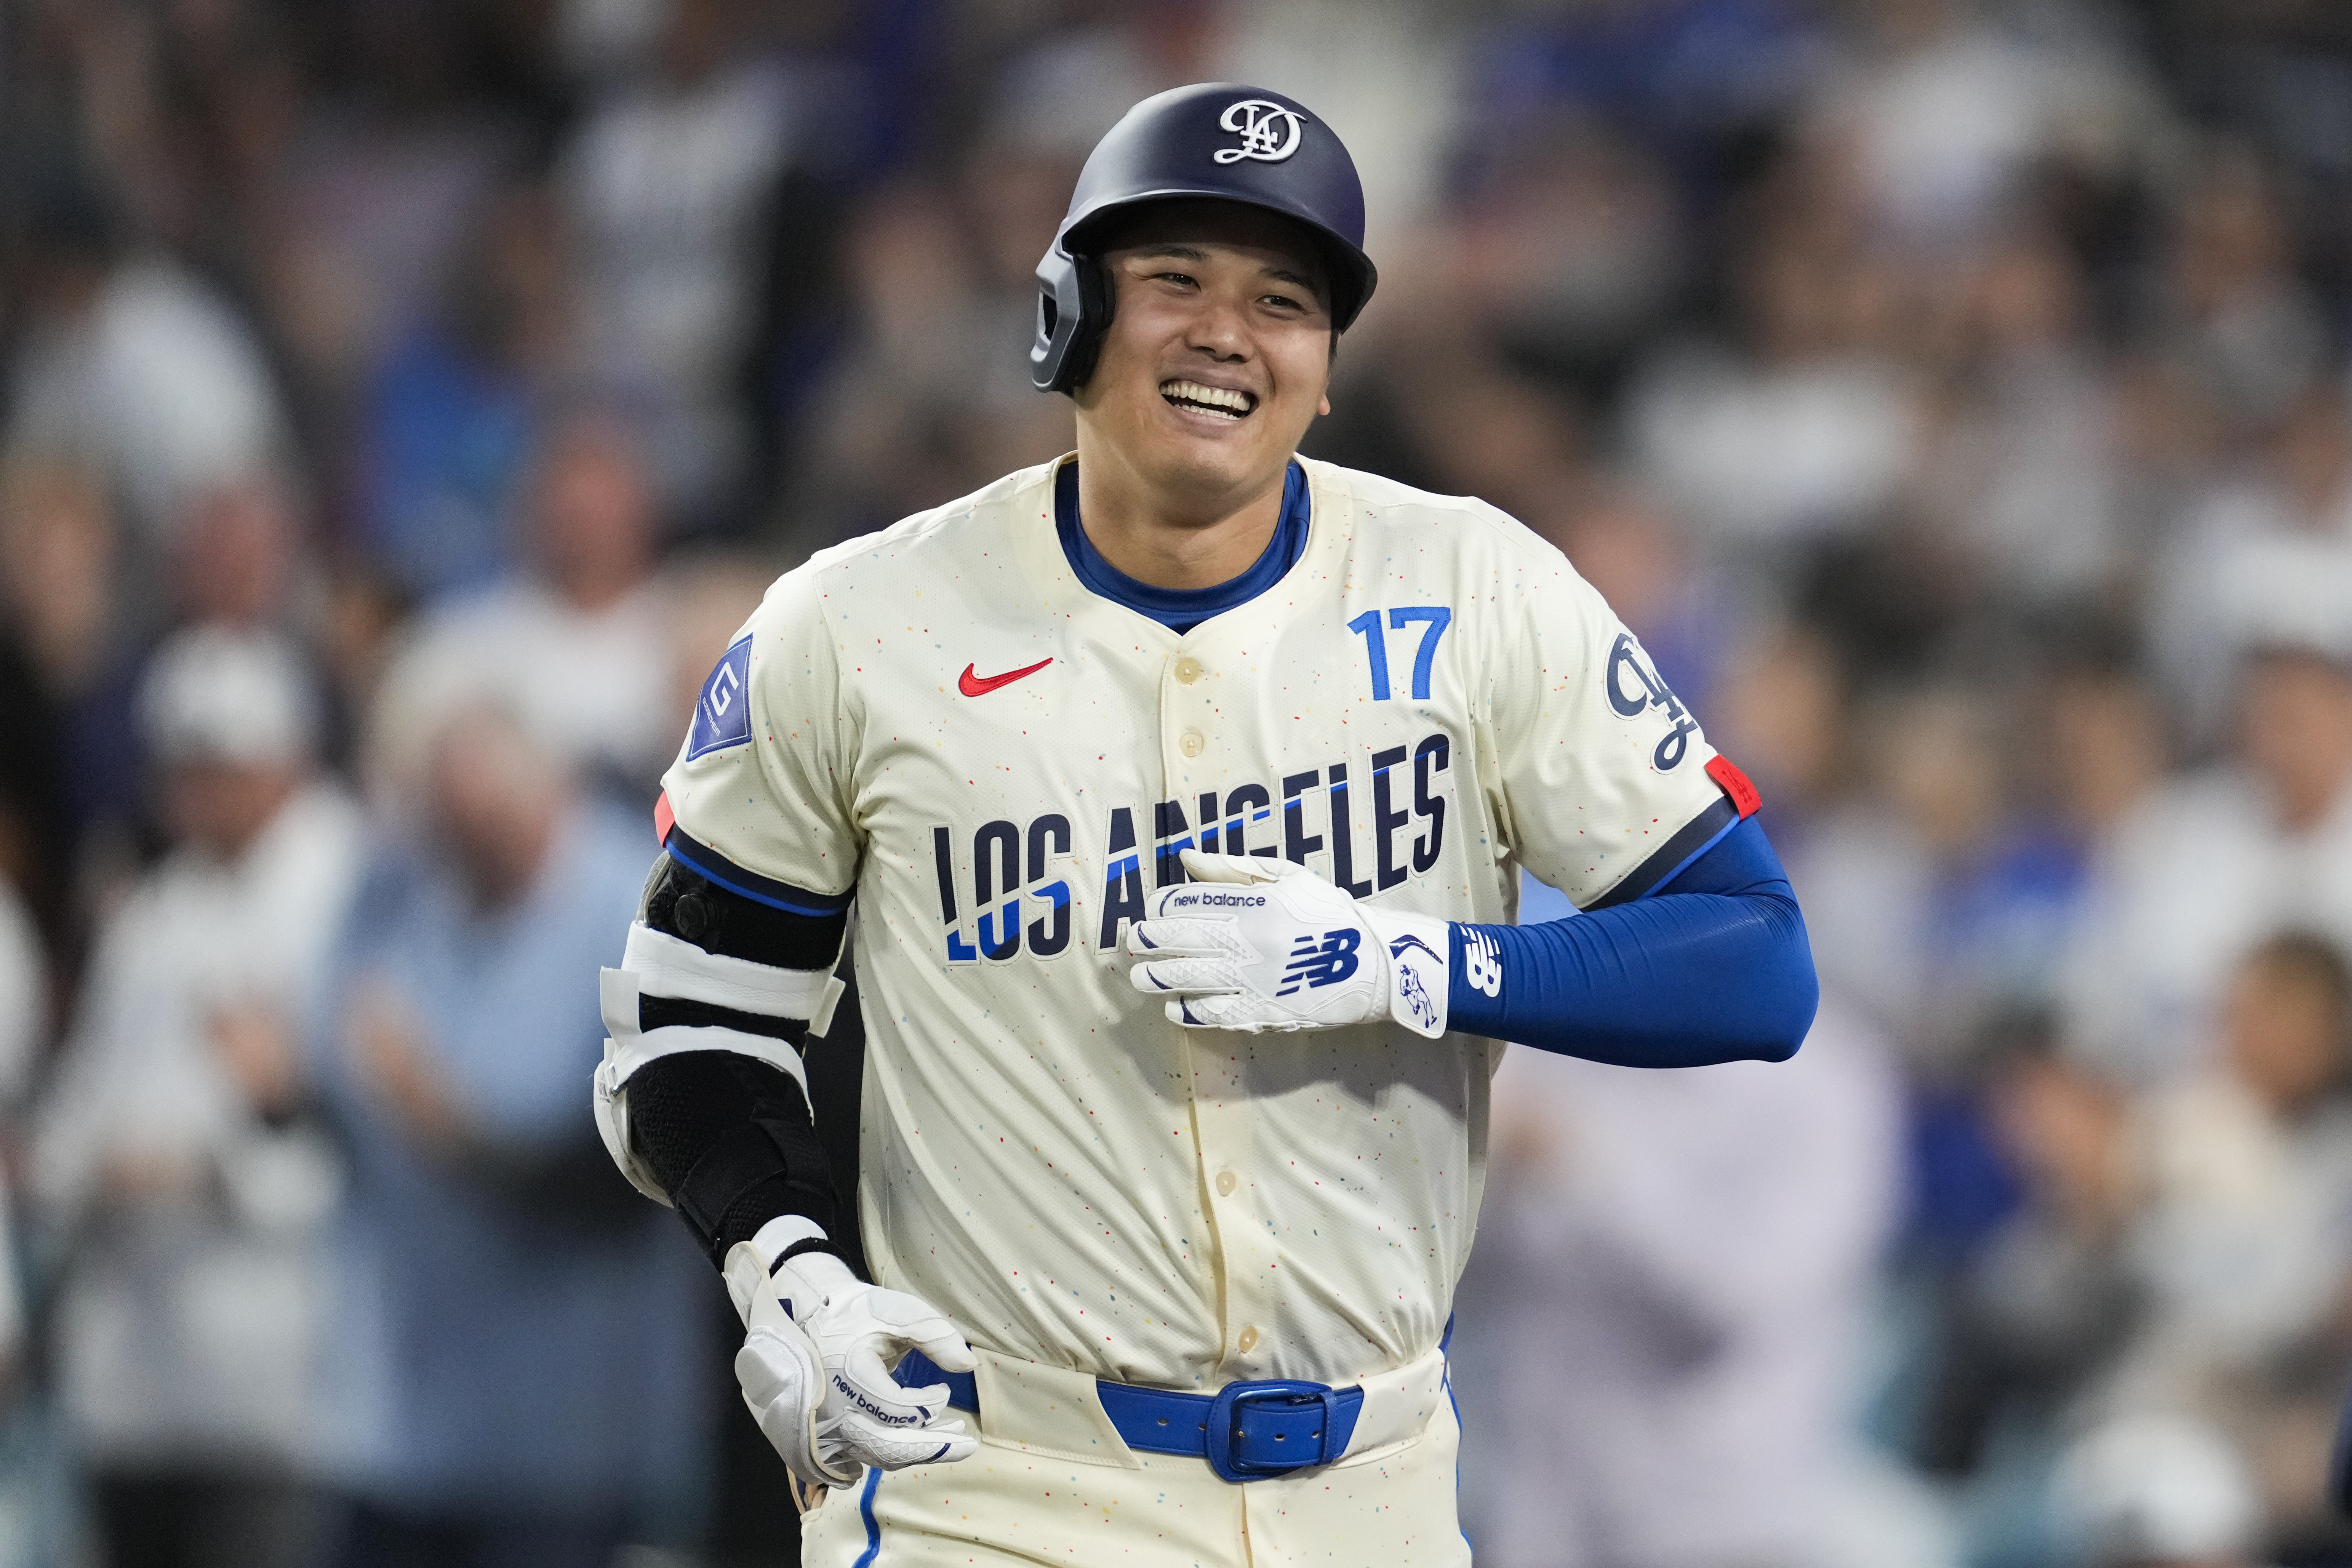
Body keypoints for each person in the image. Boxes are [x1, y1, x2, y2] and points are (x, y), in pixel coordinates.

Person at [590, 83, 1818, 1565]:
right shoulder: (856, 627)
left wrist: (1406, 966)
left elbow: (1755, 959)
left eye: (1282, 299)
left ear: (1324, 365)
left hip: (1373, 1492)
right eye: (1173, 278)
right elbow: (691, 1020)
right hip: (998, 1491)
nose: (1226, 330)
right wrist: (783, 1261)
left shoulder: (1480, 589)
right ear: (1070, 313)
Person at [310, 696, 707, 1566]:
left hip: (575, 1436)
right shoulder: (400, 895)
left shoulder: (640, 906)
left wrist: (446, 1123)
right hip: (404, 1421)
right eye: (449, 830)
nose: (470, 851)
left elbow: (630, 1169)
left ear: (552, 795)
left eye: (491, 825)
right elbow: (331, 1079)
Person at [31, 626, 363, 1568]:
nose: (193, 788)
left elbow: (354, 1138)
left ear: (283, 762)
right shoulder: (154, 908)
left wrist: (212, 1165)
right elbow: (84, 1099)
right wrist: (64, 1164)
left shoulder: (347, 891)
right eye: (180, 765)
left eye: (218, 764)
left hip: (276, 1380)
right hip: (133, 1372)